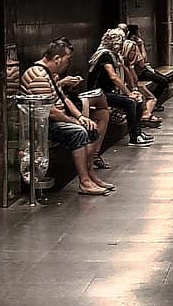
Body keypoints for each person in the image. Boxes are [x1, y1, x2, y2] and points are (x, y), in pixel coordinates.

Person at [21, 42, 112, 195]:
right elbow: (51, 112)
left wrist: (81, 116)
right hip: (43, 124)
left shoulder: (51, 74)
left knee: (91, 129)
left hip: (55, 119)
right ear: (57, 59)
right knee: (79, 132)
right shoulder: (38, 76)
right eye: (68, 59)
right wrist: (75, 122)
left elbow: (64, 99)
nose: (69, 63)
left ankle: (90, 174)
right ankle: (84, 181)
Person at [90, 28, 155, 147]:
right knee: (130, 102)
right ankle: (134, 138)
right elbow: (113, 76)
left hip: (106, 92)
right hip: (98, 93)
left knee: (138, 99)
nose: (121, 46)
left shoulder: (111, 55)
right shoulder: (105, 55)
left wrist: (132, 91)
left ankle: (138, 132)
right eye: (120, 43)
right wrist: (128, 93)